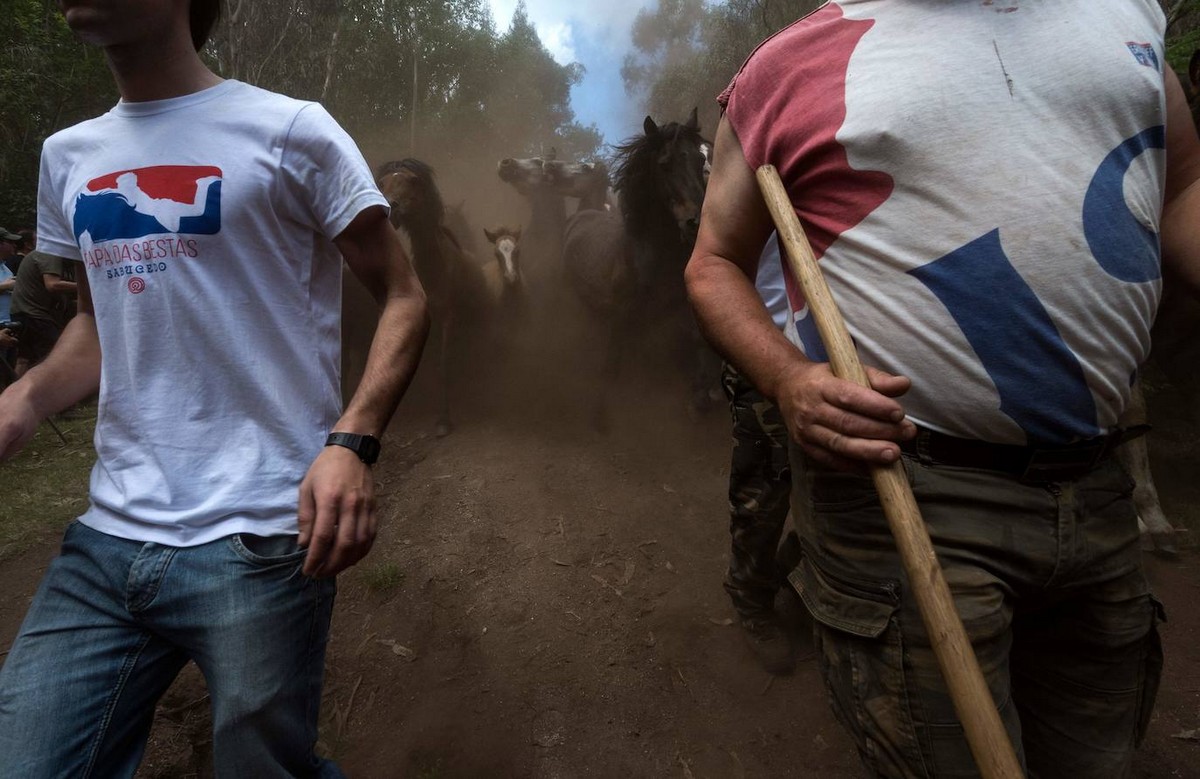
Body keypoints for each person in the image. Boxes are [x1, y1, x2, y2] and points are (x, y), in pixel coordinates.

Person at [686, 2, 1200, 776]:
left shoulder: (1124, 14)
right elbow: (714, 259)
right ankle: (754, 581)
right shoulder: (784, 70)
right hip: (908, 487)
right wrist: (787, 379)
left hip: (1099, 487)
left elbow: (1184, 184)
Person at [0, 0, 429, 777]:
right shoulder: (68, 154)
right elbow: (97, 326)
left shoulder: (294, 130)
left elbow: (404, 295)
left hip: (263, 535)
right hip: (108, 539)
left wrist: (352, 440)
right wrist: (24, 398)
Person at [722, 234, 796, 675]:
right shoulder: (749, 165)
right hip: (768, 350)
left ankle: (794, 565)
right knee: (763, 495)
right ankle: (752, 598)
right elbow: (713, 262)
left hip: (854, 352)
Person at [8, 249, 77, 376]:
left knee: (24, 359)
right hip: (34, 314)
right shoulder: (50, 252)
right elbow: (52, 284)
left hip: (24, 312)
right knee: (54, 357)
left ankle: (15, 391)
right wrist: (86, 287)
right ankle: (51, 392)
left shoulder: (66, 261)